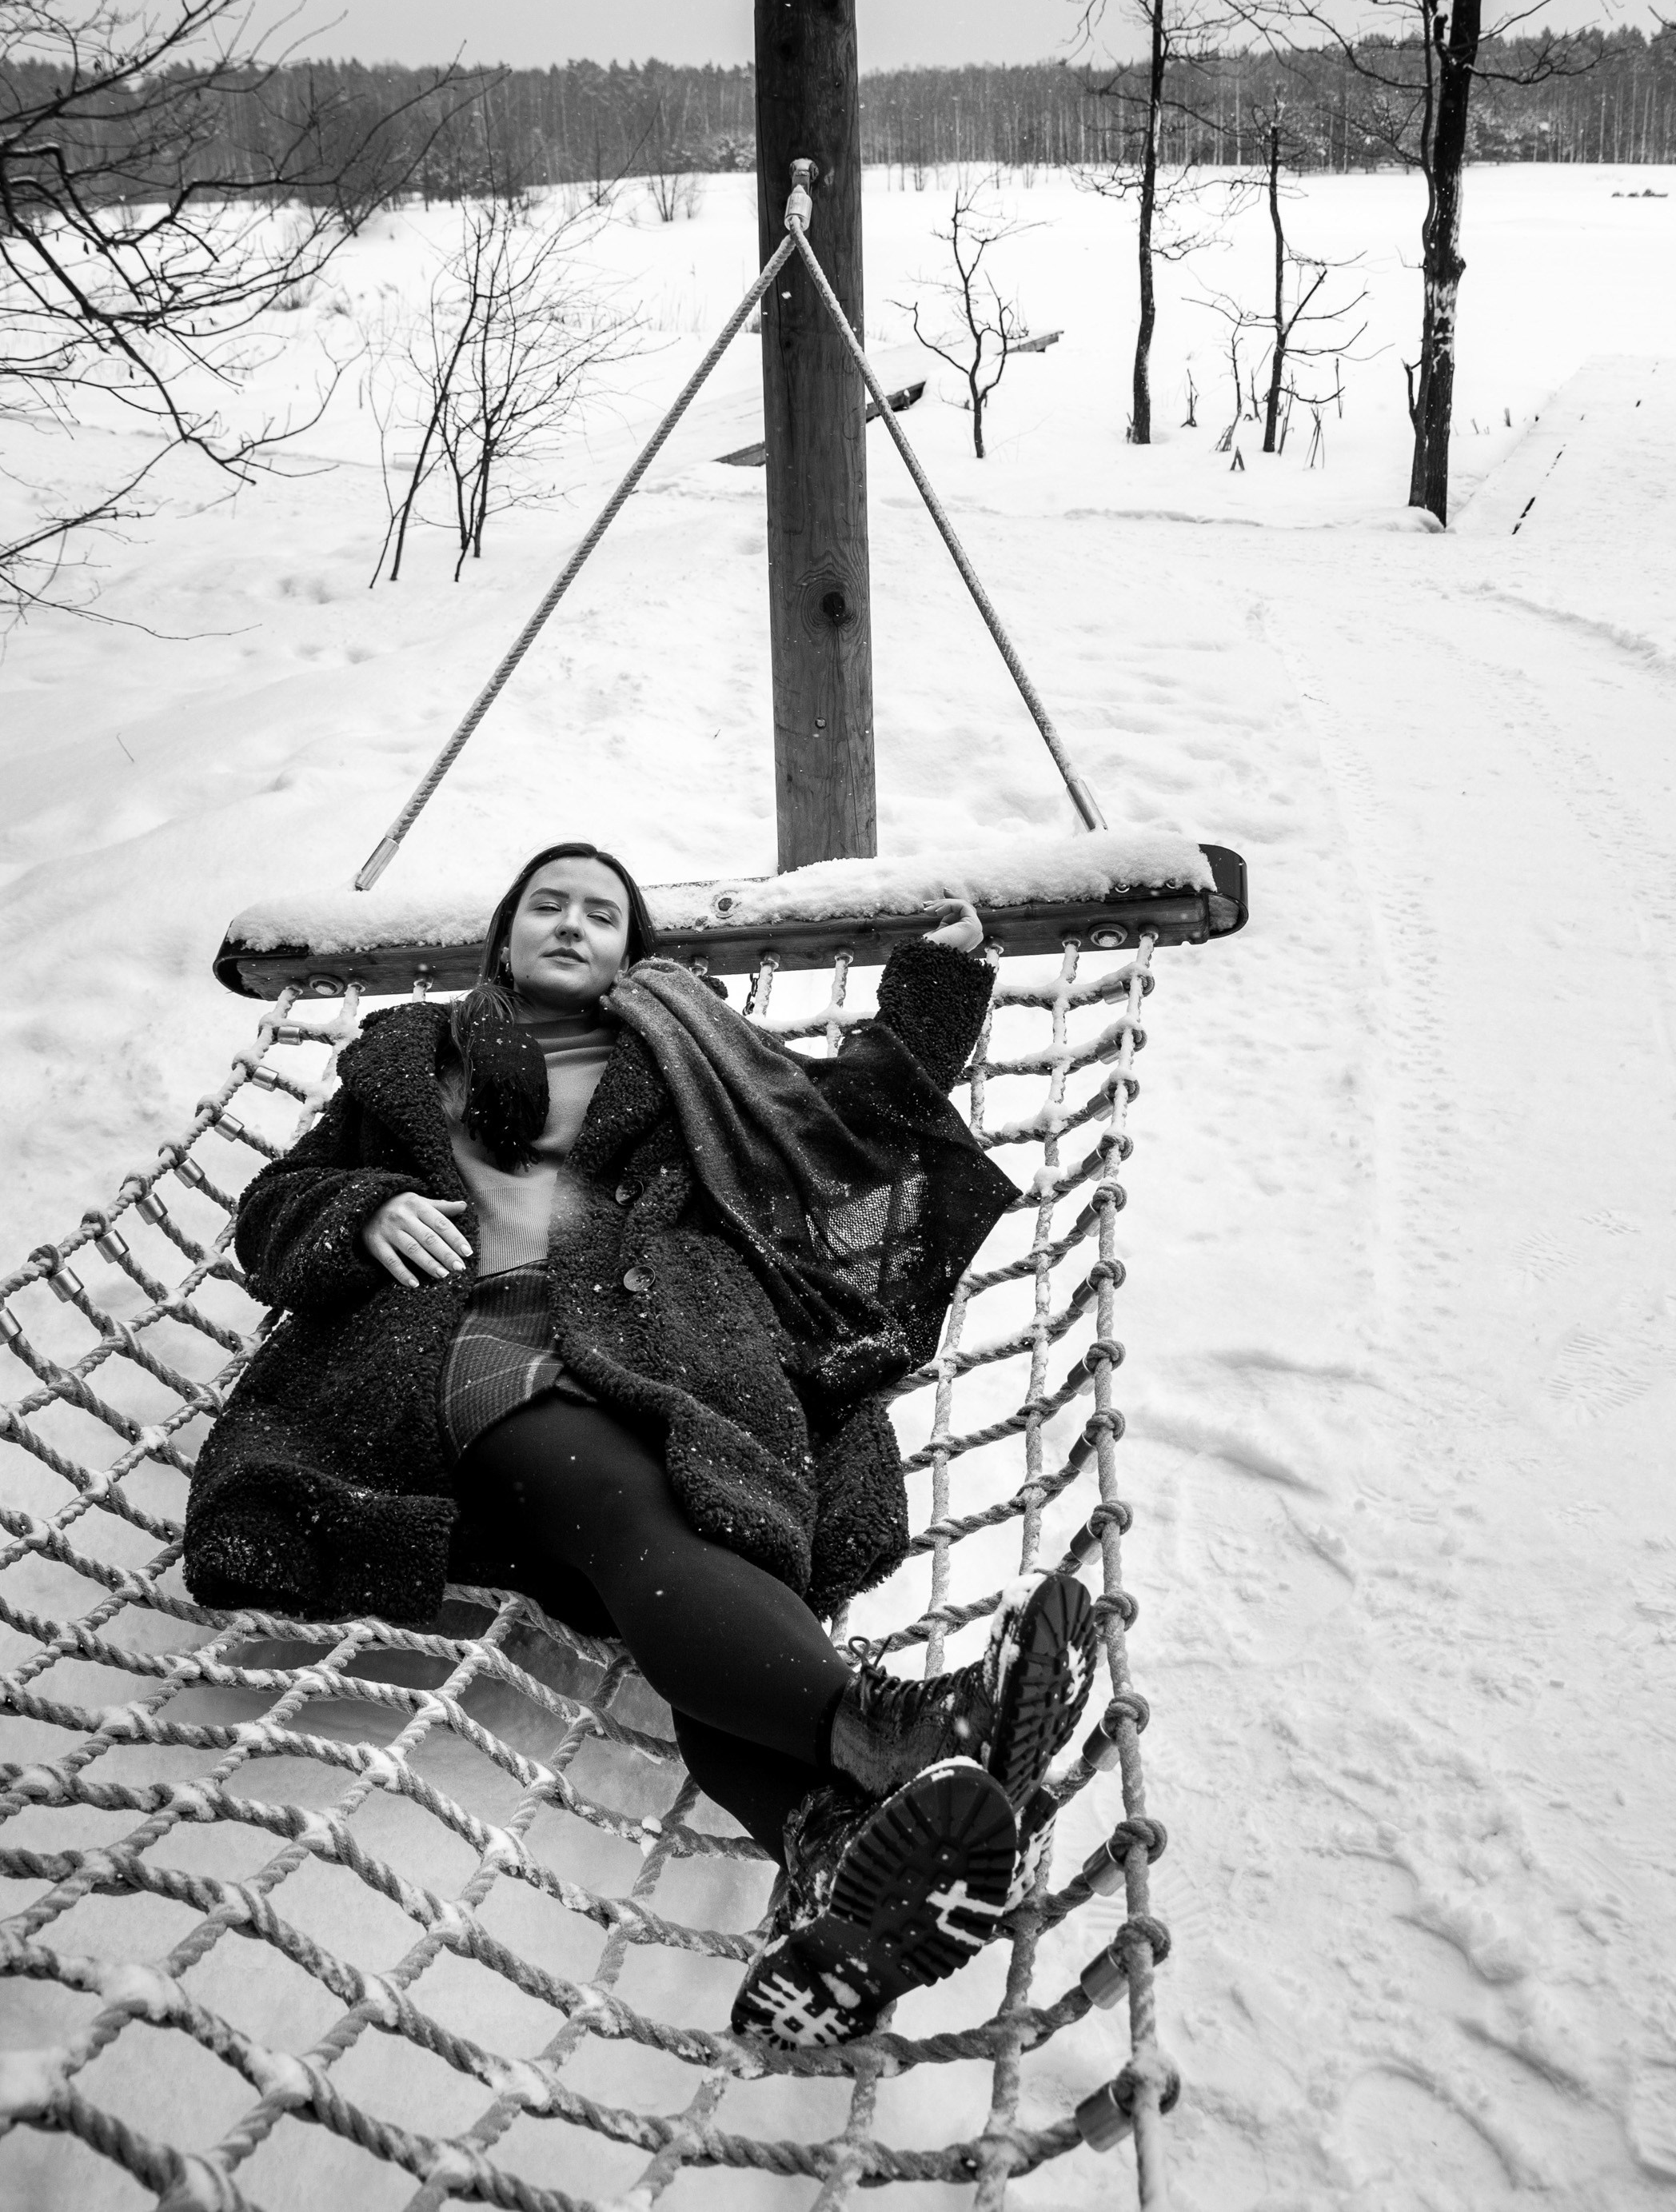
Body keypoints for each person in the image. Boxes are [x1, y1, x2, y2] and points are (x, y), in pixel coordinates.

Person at [184, 840, 1097, 2047]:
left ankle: (828, 1882)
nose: (572, 923)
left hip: (668, 1353)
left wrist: (931, 990)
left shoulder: (691, 1054)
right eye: (547, 905)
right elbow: (271, 1214)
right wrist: (365, 1208)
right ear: (505, 934)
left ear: (632, 950)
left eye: (601, 913)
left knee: (698, 1557)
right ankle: (898, 1729)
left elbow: (848, 1136)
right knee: (637, 1514)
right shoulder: (408, 1063)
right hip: (458, 1341)